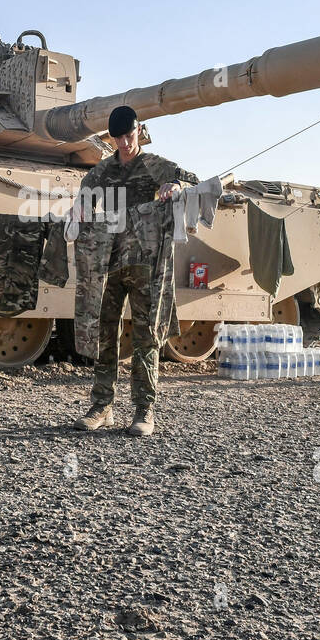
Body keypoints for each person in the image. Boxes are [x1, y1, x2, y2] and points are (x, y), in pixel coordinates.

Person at [74, 106, 197, 437]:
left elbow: (189, 178)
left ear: (138, 131)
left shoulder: (154, 165)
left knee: (146, 335)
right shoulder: (103, 171)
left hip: (146, 264)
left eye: (129, 136)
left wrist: (174, 187)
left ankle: (144, 410)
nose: (125, 144)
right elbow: (85, 192)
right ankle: (102, 406)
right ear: (112, 139)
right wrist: (83, 206)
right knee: (105, 333)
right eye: (118, 139)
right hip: (110, 262)